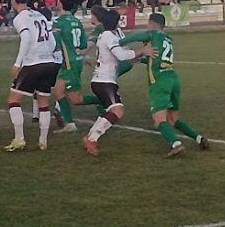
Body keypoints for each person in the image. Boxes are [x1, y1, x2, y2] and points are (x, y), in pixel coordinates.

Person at [120, 13, 209, 156]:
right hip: (173, 78)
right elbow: (158, 58)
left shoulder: (152, 34)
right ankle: (199, 138)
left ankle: (176, 143)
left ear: (151, 23)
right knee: (173, 119)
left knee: (158, 120)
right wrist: (141, 59)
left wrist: (118, 42)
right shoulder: (168, 38)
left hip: (159, 81)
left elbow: (135, 36)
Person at [82, 10, 155, 156]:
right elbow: (121, 55)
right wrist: (141, 51)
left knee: (112, 110)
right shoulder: (109, 36)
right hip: (104, 81)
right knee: (118, 111)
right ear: (117, 23)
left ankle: (90, 138)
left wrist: (137, 58)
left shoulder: (105, 35)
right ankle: (92, 138)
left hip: (102, 80)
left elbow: (115, 56)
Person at [4, 0, 60, 152]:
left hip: (33, 63)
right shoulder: (39, 15)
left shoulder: (20, 18)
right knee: (43, 101)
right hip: (49, 62)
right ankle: (43, 141)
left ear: (13, 1)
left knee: (13, 100)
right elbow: (50, 37)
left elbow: (27, 37)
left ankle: (19, 139)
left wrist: (17, 63)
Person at [50, 0, 88, 134]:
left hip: (68, 61)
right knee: (67, 94)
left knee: (68, 94)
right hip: (76, 60)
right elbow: (83, 44)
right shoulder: (77, 21)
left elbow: (54, 42)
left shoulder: (58, 22)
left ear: (61, 3)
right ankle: (70, 123)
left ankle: (105, 101)